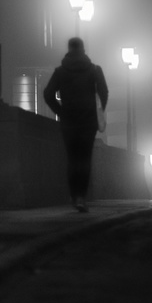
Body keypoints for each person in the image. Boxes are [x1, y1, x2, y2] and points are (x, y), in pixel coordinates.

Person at [43, 37, 109, 213]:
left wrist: (61, 111)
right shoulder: (94, 70)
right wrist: (98, 112)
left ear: (69, 50)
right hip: (88, 122)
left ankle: (74, 196)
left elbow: (48, 94)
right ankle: (81, 197)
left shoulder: (60, 72)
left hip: (69, 122)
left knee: (72, 159)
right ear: (83, 49)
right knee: (85, 159)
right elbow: (104, 92)